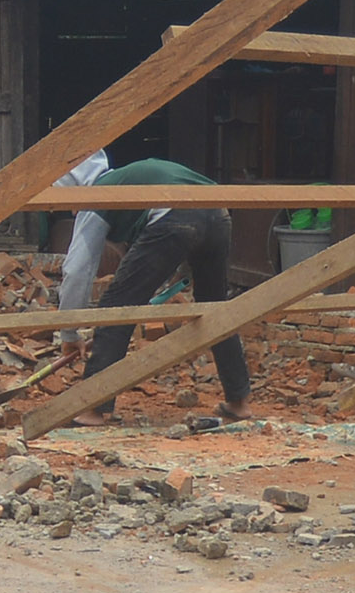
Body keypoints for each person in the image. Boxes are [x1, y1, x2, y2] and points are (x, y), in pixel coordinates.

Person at [68, 156, 249, 418]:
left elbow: (76, 271)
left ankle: (93, 409)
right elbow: (134, 257)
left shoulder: (95, 198)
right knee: (214, 306)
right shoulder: (128, 179)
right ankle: (239, 402)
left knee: (115, 308)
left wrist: (69, 334)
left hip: (176, 217)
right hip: (217, 214)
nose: (70, 213)